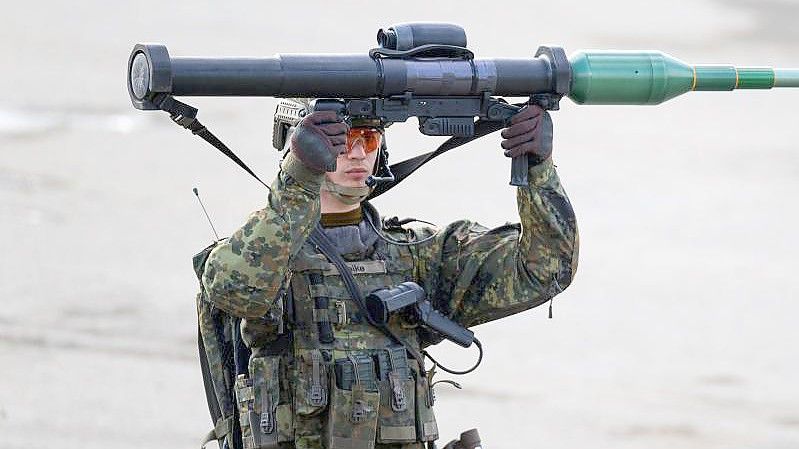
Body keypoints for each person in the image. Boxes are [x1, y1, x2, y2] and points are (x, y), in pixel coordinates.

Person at [200, 101, 579, 449]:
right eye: (343, 138)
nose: (359, 153)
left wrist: (538, 171)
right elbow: (234, 291)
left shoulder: (416, 253)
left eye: (369, 137)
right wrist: (298, 180)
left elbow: (545, 270)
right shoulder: (262, 255)